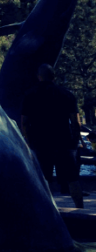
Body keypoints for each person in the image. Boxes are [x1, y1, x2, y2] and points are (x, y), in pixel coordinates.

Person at [21, 63, 83, 209]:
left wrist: (29, 143)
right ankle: (80, 208)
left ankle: (46, 212)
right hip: (64, 143)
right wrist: (75, 142)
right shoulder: (67, 94)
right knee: (72, 179)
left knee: (43, 180)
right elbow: (76, 122)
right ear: (53, 76)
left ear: (38, 77)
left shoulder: (30, 95)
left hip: (40, 144)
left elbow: (24, 123)